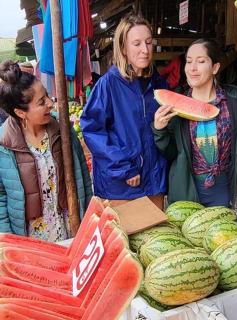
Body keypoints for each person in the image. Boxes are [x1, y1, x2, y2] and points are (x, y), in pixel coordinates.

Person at [80, 14, 168, 209]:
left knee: (157, 238)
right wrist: (123, 168)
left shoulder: (159, 84)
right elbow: (92, 130)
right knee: (125, 238)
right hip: (122, 185)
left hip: (154, 182)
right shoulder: (108, 84)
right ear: (123, 49)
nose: (145, 50)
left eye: (148, 42)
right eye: (136, 44)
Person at [0, 60, 93, 241]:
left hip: (70, 225)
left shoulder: (62, 128)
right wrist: (8, 240)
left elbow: (82, 173)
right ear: (21, 113)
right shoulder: (4, 144)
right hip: (32, 237)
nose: (51, 103)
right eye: (42, 102)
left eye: (47, 96)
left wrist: (89, 214)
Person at [152, 38, 237, 207]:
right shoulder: (176, 103)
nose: (192, 68)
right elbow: (172, 154)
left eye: (201, 61)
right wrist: (159, 130)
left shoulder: (235, 100)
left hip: (222, 189)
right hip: (186, 190)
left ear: (215, 67)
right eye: (189, 62)